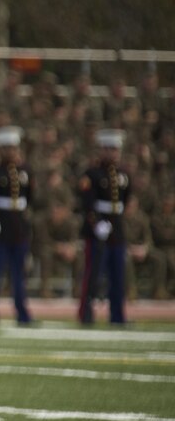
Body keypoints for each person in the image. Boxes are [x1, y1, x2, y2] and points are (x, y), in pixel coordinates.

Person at [0, 127, 33, 325]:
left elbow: (29, 200)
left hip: (18, 227)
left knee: (19, 274)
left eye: (13, 147)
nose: (11, 152)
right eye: (7, 148)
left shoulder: (24, 171)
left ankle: (22, 312)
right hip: (0, 226)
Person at [77, 129, 131, 325]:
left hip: (116, 228)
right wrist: (96, 222)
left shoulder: (123, 174)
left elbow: (125, 200)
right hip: (97, 229)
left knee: (118, 275)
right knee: (93, 273)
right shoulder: (92, 174)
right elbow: (87, 202)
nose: (112, 153)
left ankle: (117, 315)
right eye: (108, 149)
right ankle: (86, 313)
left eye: (115, 149)